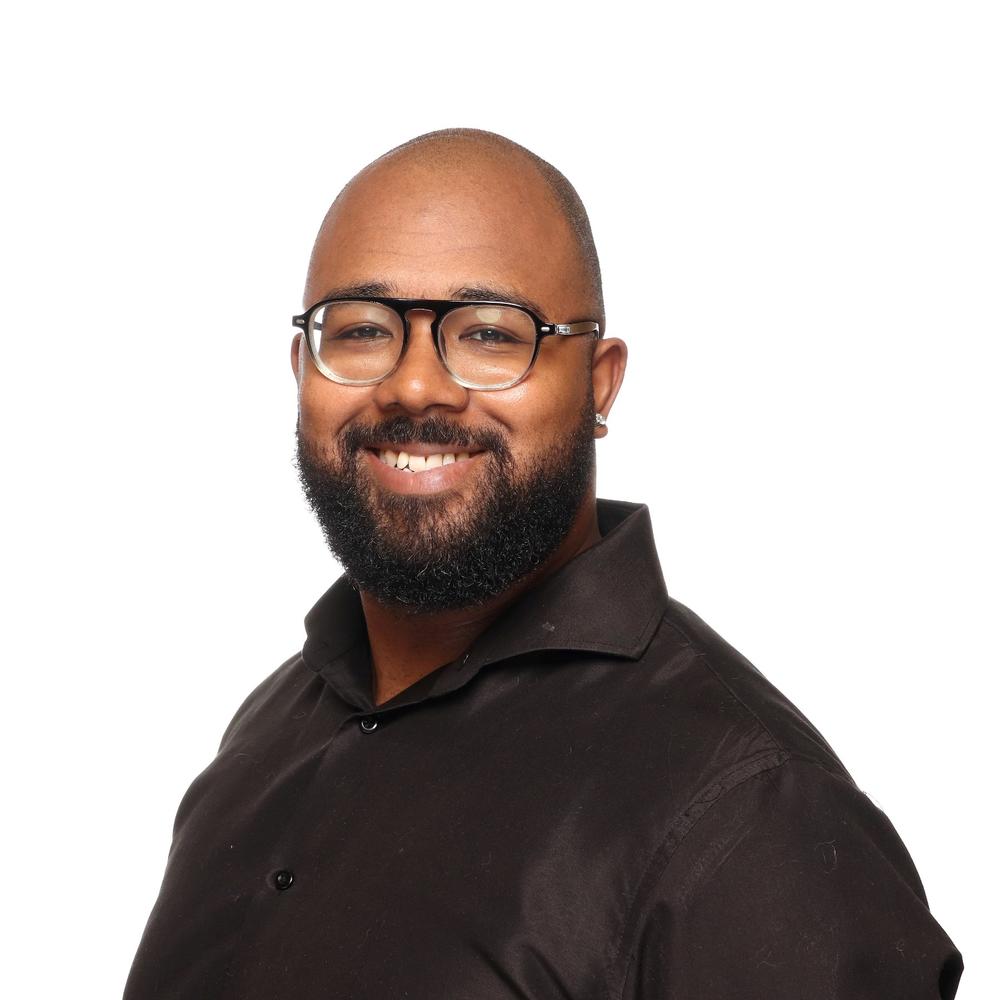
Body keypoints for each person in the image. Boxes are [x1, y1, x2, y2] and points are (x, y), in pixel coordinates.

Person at [124, 128, 963, 999]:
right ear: (303, 366)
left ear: (598, 384)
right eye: (365, 329)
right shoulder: (269, 726)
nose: (415, 386)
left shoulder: (751, 817)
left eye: (491, 334)